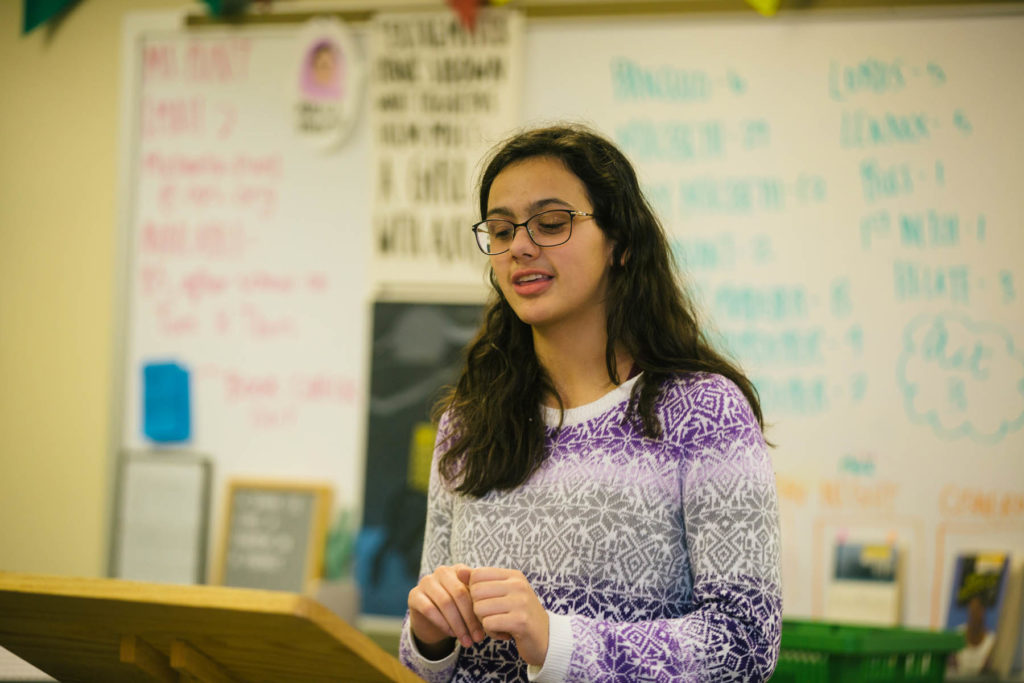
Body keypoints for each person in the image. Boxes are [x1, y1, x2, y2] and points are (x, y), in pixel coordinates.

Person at [399, 124, 782, 682]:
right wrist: (429, 638)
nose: (520, 247)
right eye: (501, 231)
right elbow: (426, 665)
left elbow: (744, 644)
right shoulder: (467, 423)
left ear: (621, 243)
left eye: (551, 224)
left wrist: (557, 643)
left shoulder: (703, 413)